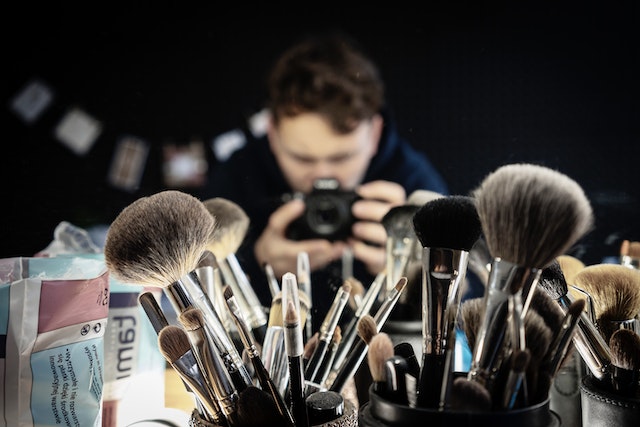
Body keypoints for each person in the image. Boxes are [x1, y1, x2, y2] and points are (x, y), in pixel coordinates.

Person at [201, 30, 449, 335]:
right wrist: (254, 262)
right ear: (273, 135)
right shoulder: (238, 176)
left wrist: (414, 267)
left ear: (374, 135)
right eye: (303, 159)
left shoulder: (411, 179)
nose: (323, 176)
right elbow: (194, 288)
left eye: (341, 158)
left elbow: (467, 295)